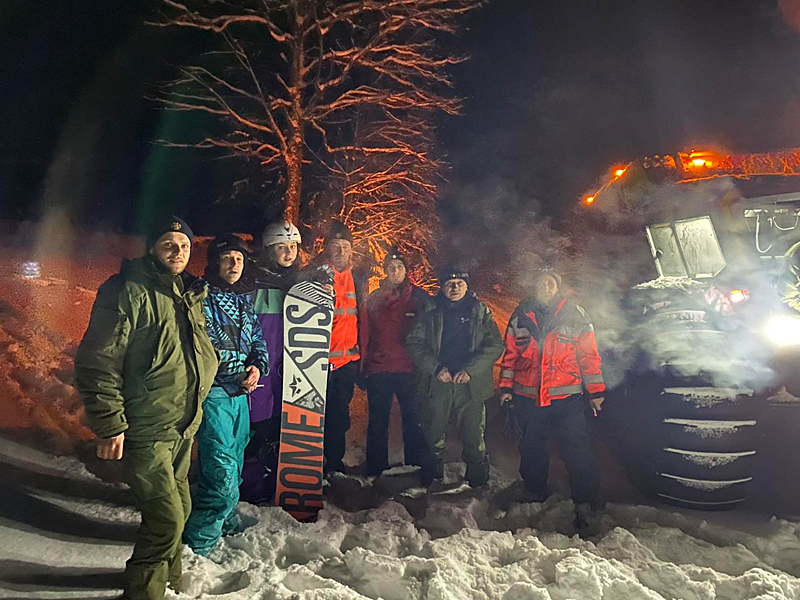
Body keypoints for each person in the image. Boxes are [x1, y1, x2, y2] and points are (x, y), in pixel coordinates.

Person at [75, 216, 218, 600]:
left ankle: (169, 584)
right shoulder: (127, 290)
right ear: (152, 247)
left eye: (185, 245)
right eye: (169, 244)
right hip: (146, 427)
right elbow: (97, 361)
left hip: (181, 427)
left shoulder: (187, 294)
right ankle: (144, 593)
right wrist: (109, 425)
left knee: (181, 509)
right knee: (166, 521)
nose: (178, 252)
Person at [498, 269, 606, 528]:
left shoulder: (575, 314)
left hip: (566, 397)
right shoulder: (521, 316)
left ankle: (585, 500)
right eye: (541, 283)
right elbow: (510, 356)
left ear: (557, 287)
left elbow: (589, 356)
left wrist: (596, 392)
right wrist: (505, 388)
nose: (545, 287)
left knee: (576, 449)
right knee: (532, 447)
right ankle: (534, 491)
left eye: (550, 283)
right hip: (528, 396)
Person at [182, 234, 269, 555]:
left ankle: (224, 520)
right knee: (219, 470)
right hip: (214, 393)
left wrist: (257, 367)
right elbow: (204, 347)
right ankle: (198, 543)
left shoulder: (244, 299)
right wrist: (237, 374)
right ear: (215, 262)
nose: (234, 265)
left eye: (240, 259)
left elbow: (257, 340)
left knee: (235, 457)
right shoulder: (202, 296)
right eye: (228, 258)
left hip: (240, 395)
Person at [405, 264, 503, 488]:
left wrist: (471, 369)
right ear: (442, 287)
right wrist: (436, 368)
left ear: (467, 286)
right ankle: (431, 480)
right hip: (438, 381)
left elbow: (496, 344)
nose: (455, 287)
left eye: (460, 283)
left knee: (473, 436)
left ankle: (478, 482)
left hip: (470, 383)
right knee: (432, 433)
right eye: (450, 284)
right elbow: (413, 342)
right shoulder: (430, 310)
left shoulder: (480, 311)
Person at [239, 221, 303, 504]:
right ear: (268, 250)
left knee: (283, 427)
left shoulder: (302, 284)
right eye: (281, 247)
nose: (288, 253)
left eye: (292, 247)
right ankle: (250, 485)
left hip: (288, 370)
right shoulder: (253, 280)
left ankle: (279, 481)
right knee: (255, 426)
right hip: (261, 366)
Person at [362, 248, 428, 476]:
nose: (395, 271)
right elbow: (365, 333)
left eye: (399, 267)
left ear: (406, 271)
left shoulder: (418, 298)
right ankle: (375, 469)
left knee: (413, 418)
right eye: (391, 267)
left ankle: (414, 465)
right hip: (379, 367)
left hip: (409, 369)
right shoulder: (374, 298)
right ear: (385, 272)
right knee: (378, 422)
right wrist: (363, 366)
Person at [315, 220, 369, 474]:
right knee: (314, 417)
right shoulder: (314, 273)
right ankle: (310, 464)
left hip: (346, 364)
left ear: (351, 251)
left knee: (339, 417)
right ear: (326, 248)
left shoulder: (358, 279)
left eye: (344, 246)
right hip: (316, 362)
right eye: (334, 246)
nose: (339, 251)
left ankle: (333, 464)